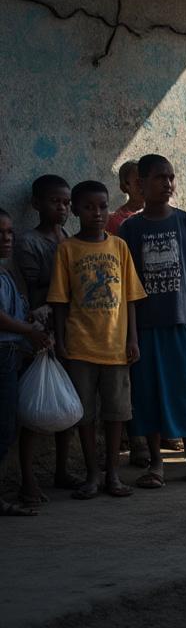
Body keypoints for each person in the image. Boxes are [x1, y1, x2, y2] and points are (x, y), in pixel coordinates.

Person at [118, 155, 186, 487]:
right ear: (140, 184)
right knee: (147, 393)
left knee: (182, 392)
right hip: (145, 326)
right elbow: (128, 286)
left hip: (181, 322)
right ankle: (156, 463)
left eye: (171, 177)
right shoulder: (130, 229)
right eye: (159, 178)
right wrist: (130, 334)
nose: (167, 184)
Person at [47, 181, 146, 500]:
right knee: (85, 415)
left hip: (116, 348)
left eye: (103, 206)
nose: (97, 213)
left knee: (116, 414)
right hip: (80, 347)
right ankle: (92, 475)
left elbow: (130, 297)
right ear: (75, 210)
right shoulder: (68, 249)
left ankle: (113, 475)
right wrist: (61, 342)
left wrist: (132, 338)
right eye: (89, 207)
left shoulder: (118, 247)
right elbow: (60, 301)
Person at [15, 174, 75, 504]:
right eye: (55, 201)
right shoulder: (29, 242)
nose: (62, 208)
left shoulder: (68, 238)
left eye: (66, 203)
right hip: (42, 328)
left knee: (67, 402)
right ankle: (27, 478)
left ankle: (62, 470)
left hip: (70, 328)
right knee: (35, 408)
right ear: (37, 204)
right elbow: (38, 285)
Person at [0, 207, 52, 516]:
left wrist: (31, 319)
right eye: (0, 234)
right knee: (4, 428)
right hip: (4, 354)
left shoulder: (5, 273)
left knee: (6, 428)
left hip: (10, 354)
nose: (7, 239)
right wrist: (28, 330)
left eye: (9, 233)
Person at [106, 160, 142, 235]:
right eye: (138, 182)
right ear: (124, 186)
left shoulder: (158, 214)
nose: (144, 186)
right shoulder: (114, 221)